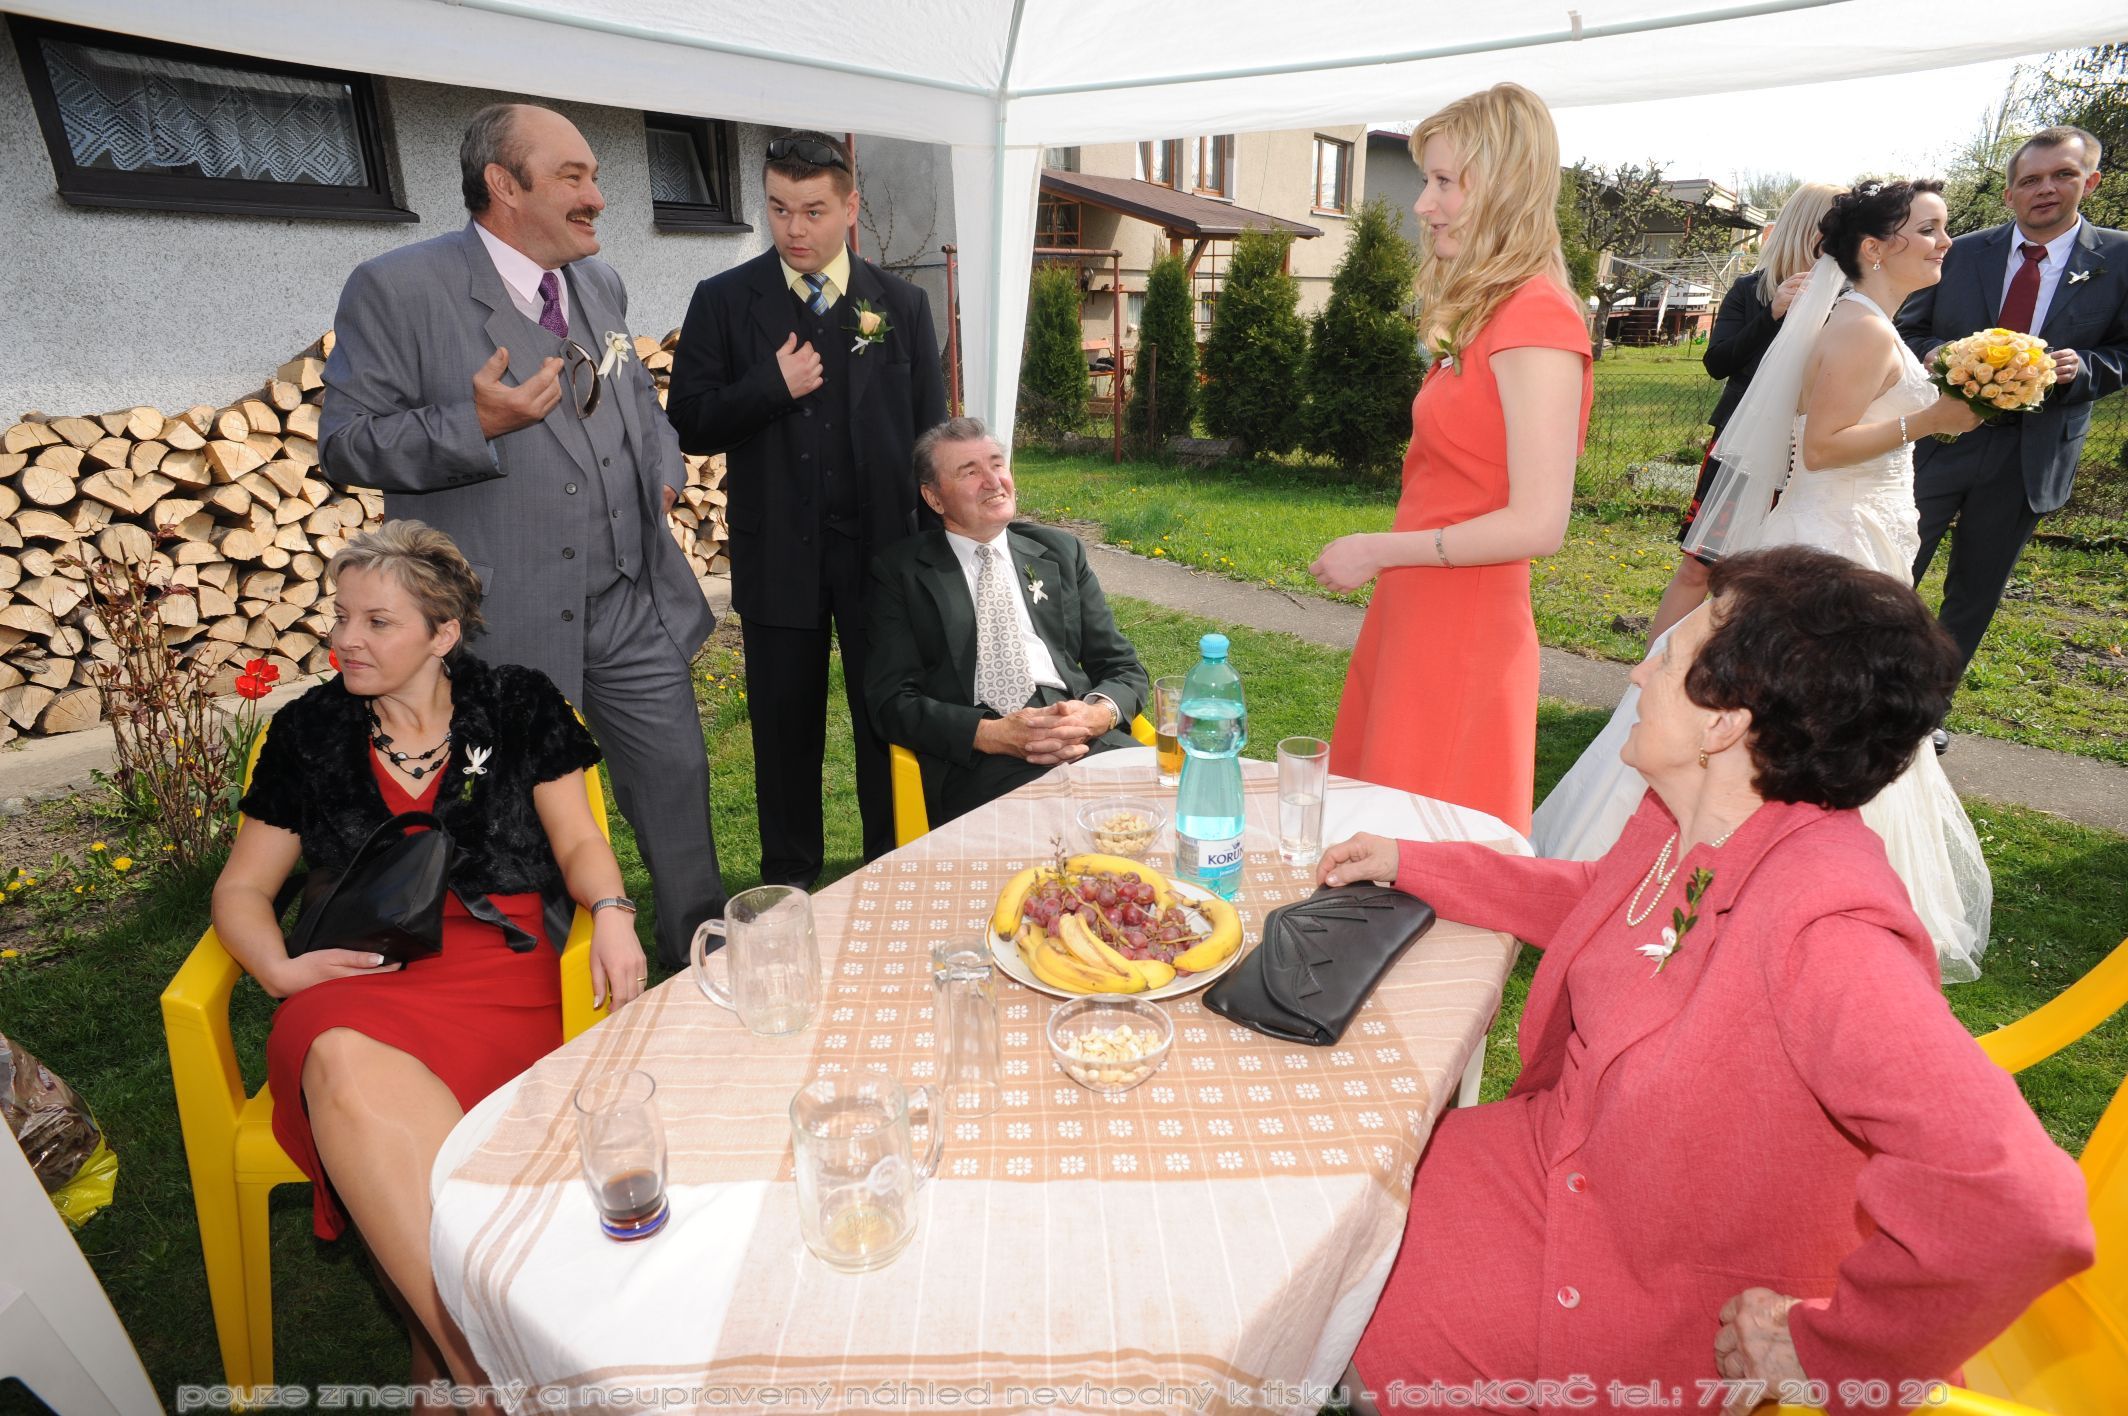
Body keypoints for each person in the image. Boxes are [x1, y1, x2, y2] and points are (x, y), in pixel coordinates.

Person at [1320, 547, 2093, 1413]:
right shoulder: (1688, 822)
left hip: (1649, 1291)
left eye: (1665, 659)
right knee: (1334, 1182)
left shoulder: (1825, 935)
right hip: (1554, 1171)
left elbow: (2019, 1203)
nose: (1636, 672)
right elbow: (1608, 903)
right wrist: (1417, 864)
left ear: (1724, 724)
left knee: (1326, 1293)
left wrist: (1829, 1354)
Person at [211, 521, 647, 1387]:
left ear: (443, 634)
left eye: (377, 622)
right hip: (354, 972)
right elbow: (241, 891)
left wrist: (613, 910)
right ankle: (480, 1369)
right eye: (342, 616)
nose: (346, 638)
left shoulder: (514, 704)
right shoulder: (310, 731)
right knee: (338, 1056)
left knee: (368, 1107)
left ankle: (445, 1365)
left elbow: (577, 841)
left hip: (500, 964)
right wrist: (278, 971)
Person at [1536, 180, 1995, 983]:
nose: (1945, 243)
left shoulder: (1868, 322)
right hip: (1835, 542)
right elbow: (1821, 448)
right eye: (1929, 229)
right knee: (1813, 710)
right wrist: (1930, 420)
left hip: (1862, 532)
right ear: (1875, 248)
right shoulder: (1860, 328)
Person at [318, 103, 723, 970]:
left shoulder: (599, 283)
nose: (597, 197)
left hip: (628, 599)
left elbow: (637, 396)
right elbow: (346, 443)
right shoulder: (396, 287)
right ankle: (544, 1000)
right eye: (574, 177)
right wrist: (473, 424)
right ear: (504, 185)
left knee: (677, 787)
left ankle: (702, 966)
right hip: (500, 621)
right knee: (515, 821)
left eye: (595, 177)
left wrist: (661, 466)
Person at [1310, 83, 1593, 837]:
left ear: (1502, 187)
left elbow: (1538, 523)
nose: (1422, 204)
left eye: (1443, 182)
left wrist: (1378, 549)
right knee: (1381, 838)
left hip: (1461, 625)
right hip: (1420, 609)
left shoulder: (1536, 319)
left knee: (1423, 846)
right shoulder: (1494, 312)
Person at [666, 130, 947, 885]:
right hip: (778, 557)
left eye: (813, 210)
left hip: (884, 559)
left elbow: (931, 437)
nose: (794, 228)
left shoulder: (903, 304)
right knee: (783, 730)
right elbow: (689, 420)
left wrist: (935, 553)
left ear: (850, 207)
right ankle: (789, 880)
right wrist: (769, 386)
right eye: (778, 208)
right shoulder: (724, 300)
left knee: (888, 719)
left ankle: (893, 866)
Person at [1896, 126, 2128, 754]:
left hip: (2031, 453)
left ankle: (1922, 715)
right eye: (2031, 179)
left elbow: (2124, 351)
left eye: (2063, 175)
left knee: (1975, 591)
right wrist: (1937, 356)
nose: (2045, 189)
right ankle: (1856, 697)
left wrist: (2089, 368)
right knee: (1891, 571)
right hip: (1939, 438)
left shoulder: (2120, 258)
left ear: (2091, 182)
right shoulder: (1960, 251)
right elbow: (1908, 329)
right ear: (2009, 194)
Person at [865, 417, 1148, 825]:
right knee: (1062, 828)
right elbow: (891, 703)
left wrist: (1094, 715)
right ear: (934, 498)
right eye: (970, 472)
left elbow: (1123, 667)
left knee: (1169, 801)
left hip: (1080, 736)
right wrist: (991, 734)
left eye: (997, 464)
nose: (993, 481)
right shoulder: (901, 572)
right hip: (981, 760)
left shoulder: (1061, 553)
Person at [1646, 183, 1840, 641]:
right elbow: (1718, 363)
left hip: (1807, 453)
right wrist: (1772, 313)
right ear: (1808, 227)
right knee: (1700, 567)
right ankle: (1652, 672)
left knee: (1770, 581)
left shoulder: (1848, 301)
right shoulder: (1750, 289)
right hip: (1740, 449)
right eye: (1835, 225)